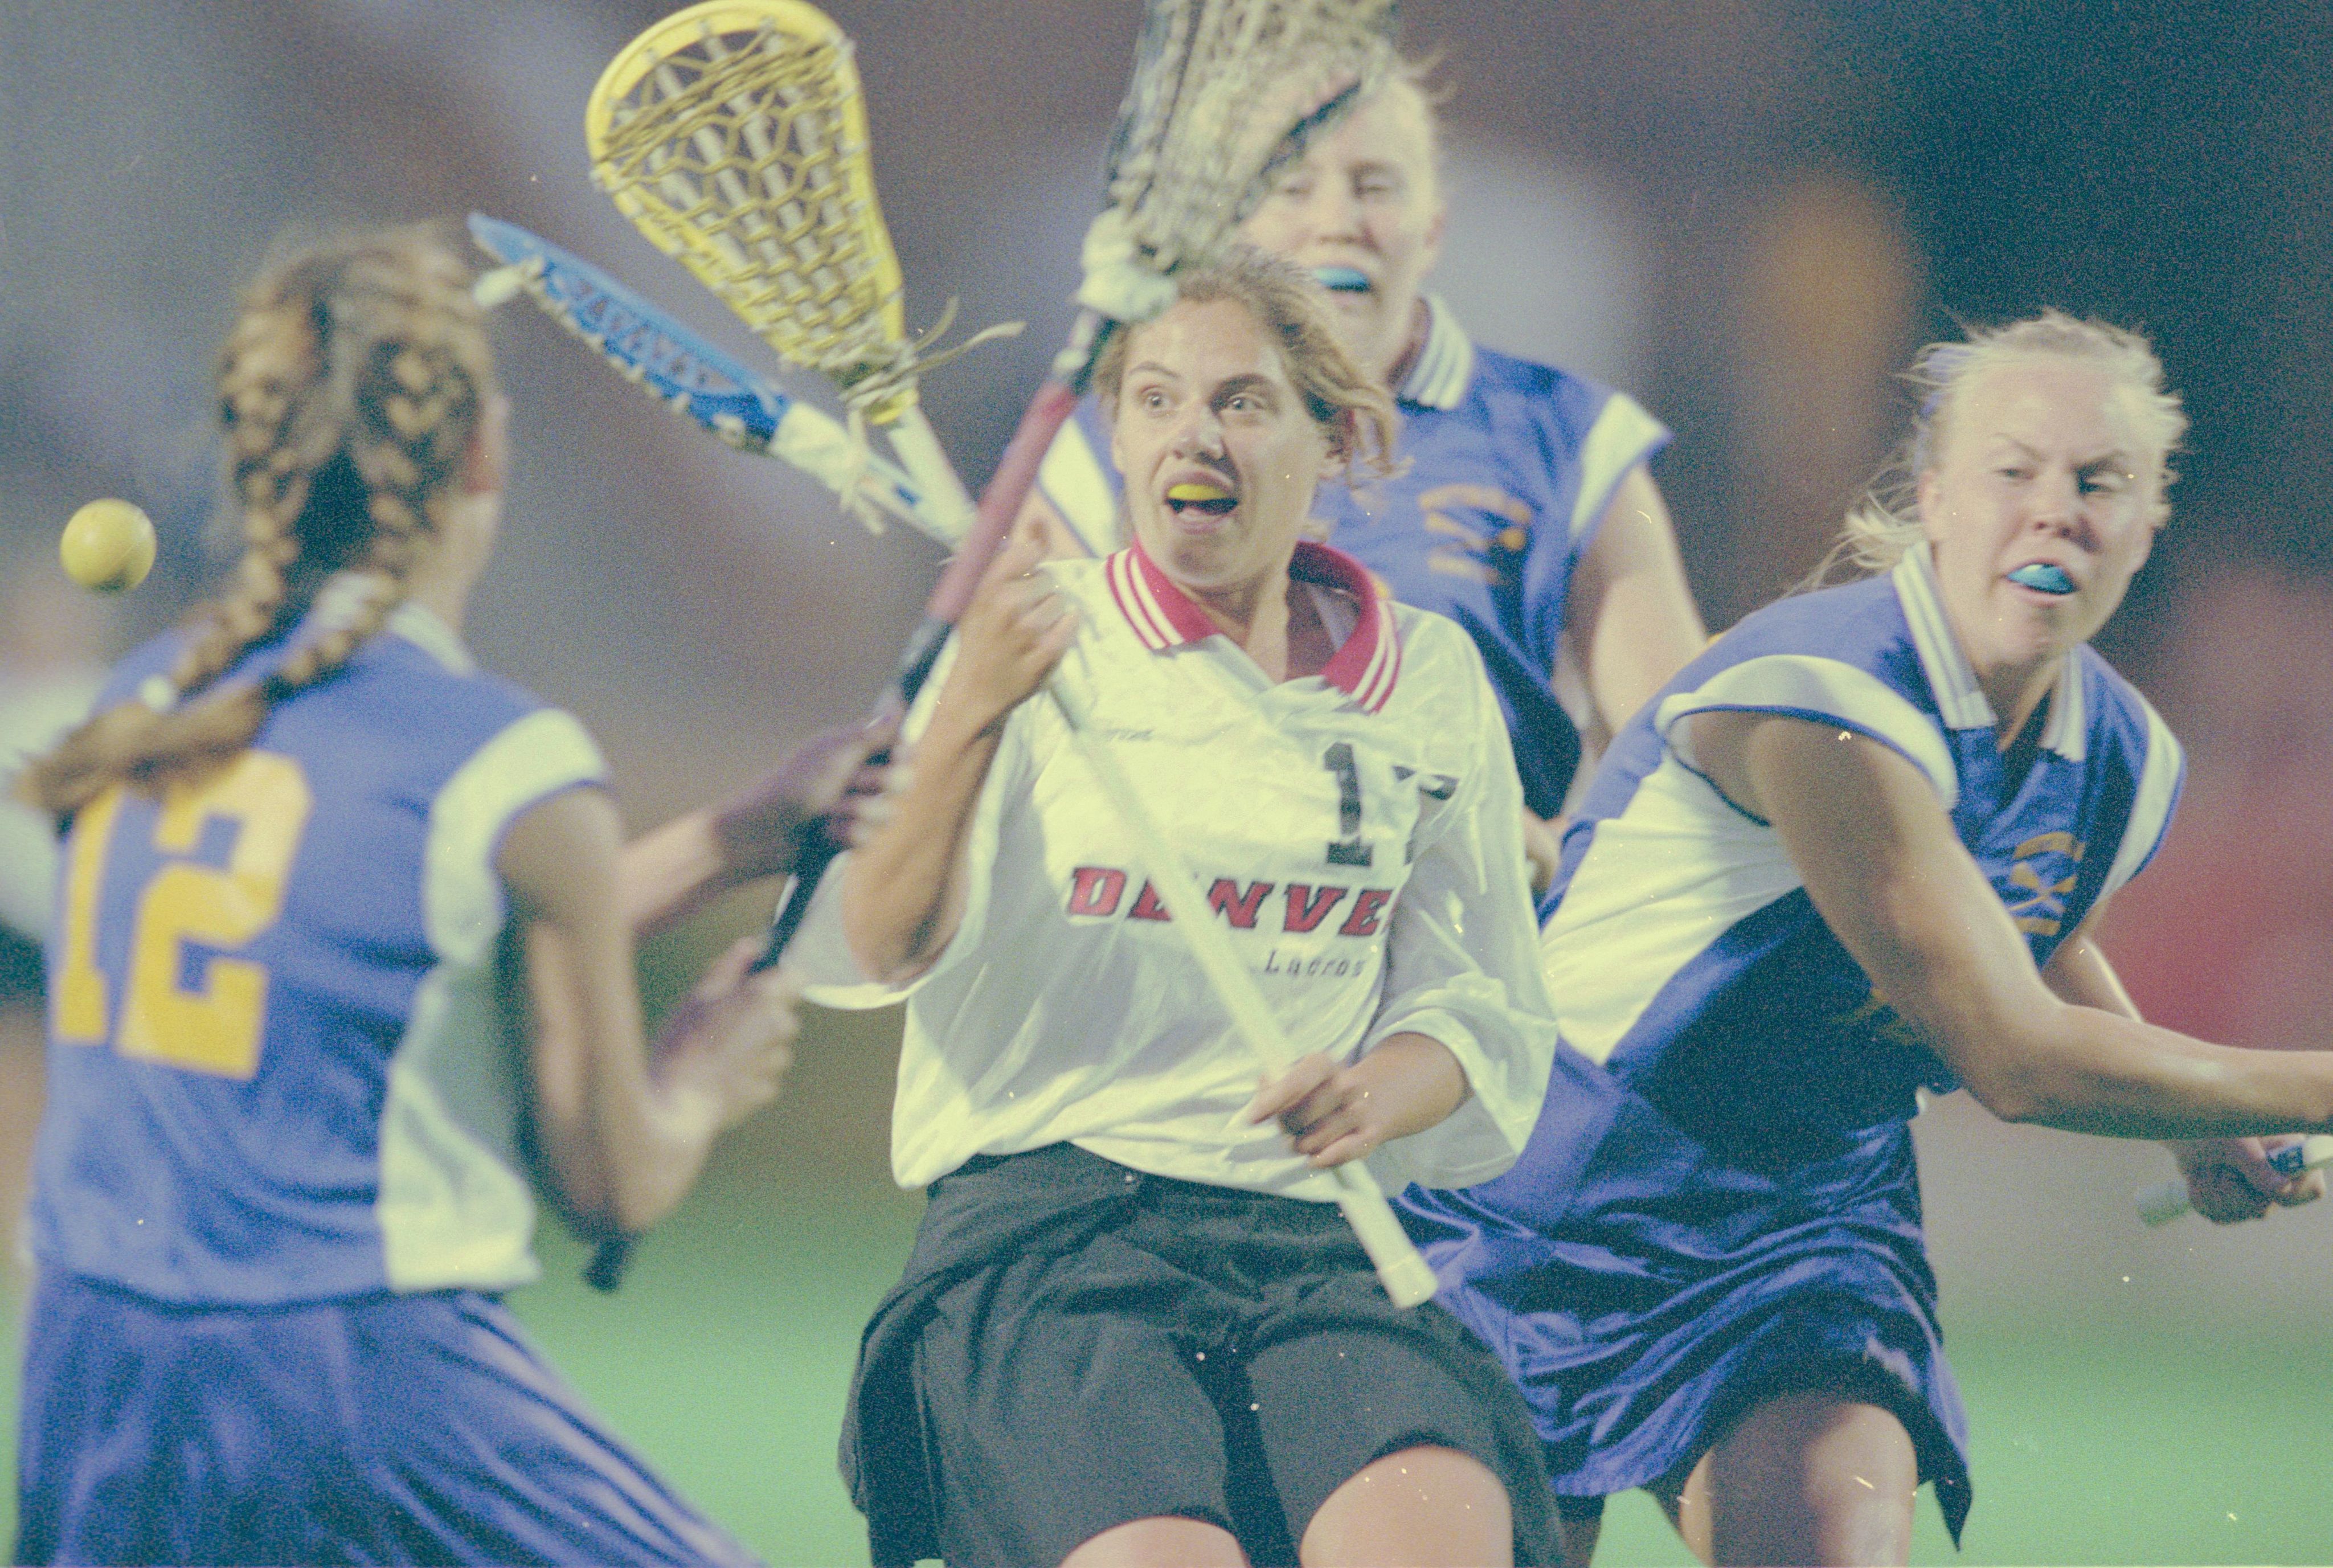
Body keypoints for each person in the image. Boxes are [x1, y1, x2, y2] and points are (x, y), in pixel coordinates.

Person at [1399, 311, 2333, 1567]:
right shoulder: (1824, 701)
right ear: (1935, 496)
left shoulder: (2122, 753)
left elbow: (2019, 933)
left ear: (2147, 521)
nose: (2054, 511)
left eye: (2097, 482)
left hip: (1808, 1227)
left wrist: (2193, 1118)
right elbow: (2011, 1055)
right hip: (1543, 1197)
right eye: (2014, 471)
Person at [10, 226, 873, 1567]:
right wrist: (701, 1077)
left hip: (94, 1367)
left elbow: (380, 938)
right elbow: (613, 1184)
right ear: (481, 453)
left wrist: (737, 836)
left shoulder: (148, 704)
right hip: (360, 1377)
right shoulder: (506, 765)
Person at [802, 246, 1562, 1568]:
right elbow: (880, 940)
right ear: (1114, 435)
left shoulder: (1428, 678)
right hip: (1051, 1241)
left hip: (1314, 1240)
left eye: (1240, 401)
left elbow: (1477, 1000)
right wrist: (972, 704)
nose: (1191, 434)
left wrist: (1372, 1092)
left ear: (1332, 439)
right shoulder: (1029, 639)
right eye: (1153, 399)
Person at [1023, 51, 1707, 889]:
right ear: (1229, 219)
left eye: (1374, 186)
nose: (1337, 220)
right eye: (1292, 185)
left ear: (1434, 227)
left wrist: (1550, 853)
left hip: (1471, 931)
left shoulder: (1569, 437)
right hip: (1192, 928)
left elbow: (1676, 766)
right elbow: (1024, 725)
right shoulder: (1120, 434)